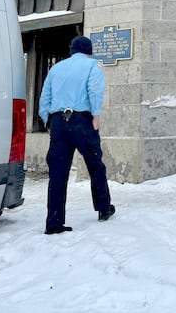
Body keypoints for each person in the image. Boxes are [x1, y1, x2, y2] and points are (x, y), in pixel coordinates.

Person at [38, 36, 115, 235]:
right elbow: (95, 90)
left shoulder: (56, 68)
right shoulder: (93, 65)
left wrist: (47, 118)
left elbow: (45, 96)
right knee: (95, 164)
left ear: (71, 50)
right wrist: (96, 115)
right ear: (89, 51)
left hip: (57, 122)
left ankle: (54, 222)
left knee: (57, 173)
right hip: (82, 121)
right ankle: (103, 207)